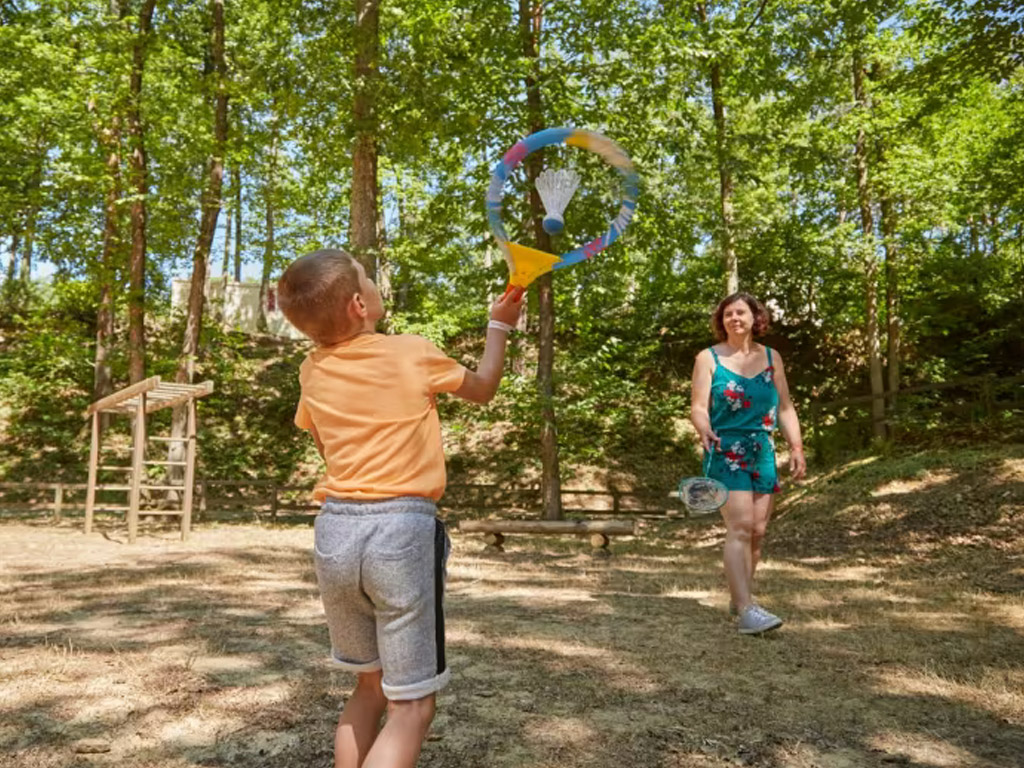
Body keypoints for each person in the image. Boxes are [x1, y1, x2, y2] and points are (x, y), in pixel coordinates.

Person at [277, 248, 523, 768]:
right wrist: (499, 327)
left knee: (369, 688)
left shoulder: (310, 370)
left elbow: (324, 444)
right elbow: (482, 388)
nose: (372, 282)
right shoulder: (410, 351)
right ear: (359, 306)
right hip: (400, 532)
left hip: (335, 533)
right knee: (411, 705)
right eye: (366, 278)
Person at [690, 292, 805, 635]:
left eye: (741, 312)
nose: (734, 318)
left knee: (757, 533)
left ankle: (740, 597)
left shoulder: (772, 357)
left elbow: (784, 407)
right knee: (739, 527)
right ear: (721, 321)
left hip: (762, 450)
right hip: (725, 448)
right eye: (727, 314)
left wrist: (795, 447)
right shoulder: (707, 358)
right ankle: (745, 610)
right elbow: (697, 406)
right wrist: (703, 427)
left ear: (756, 318)